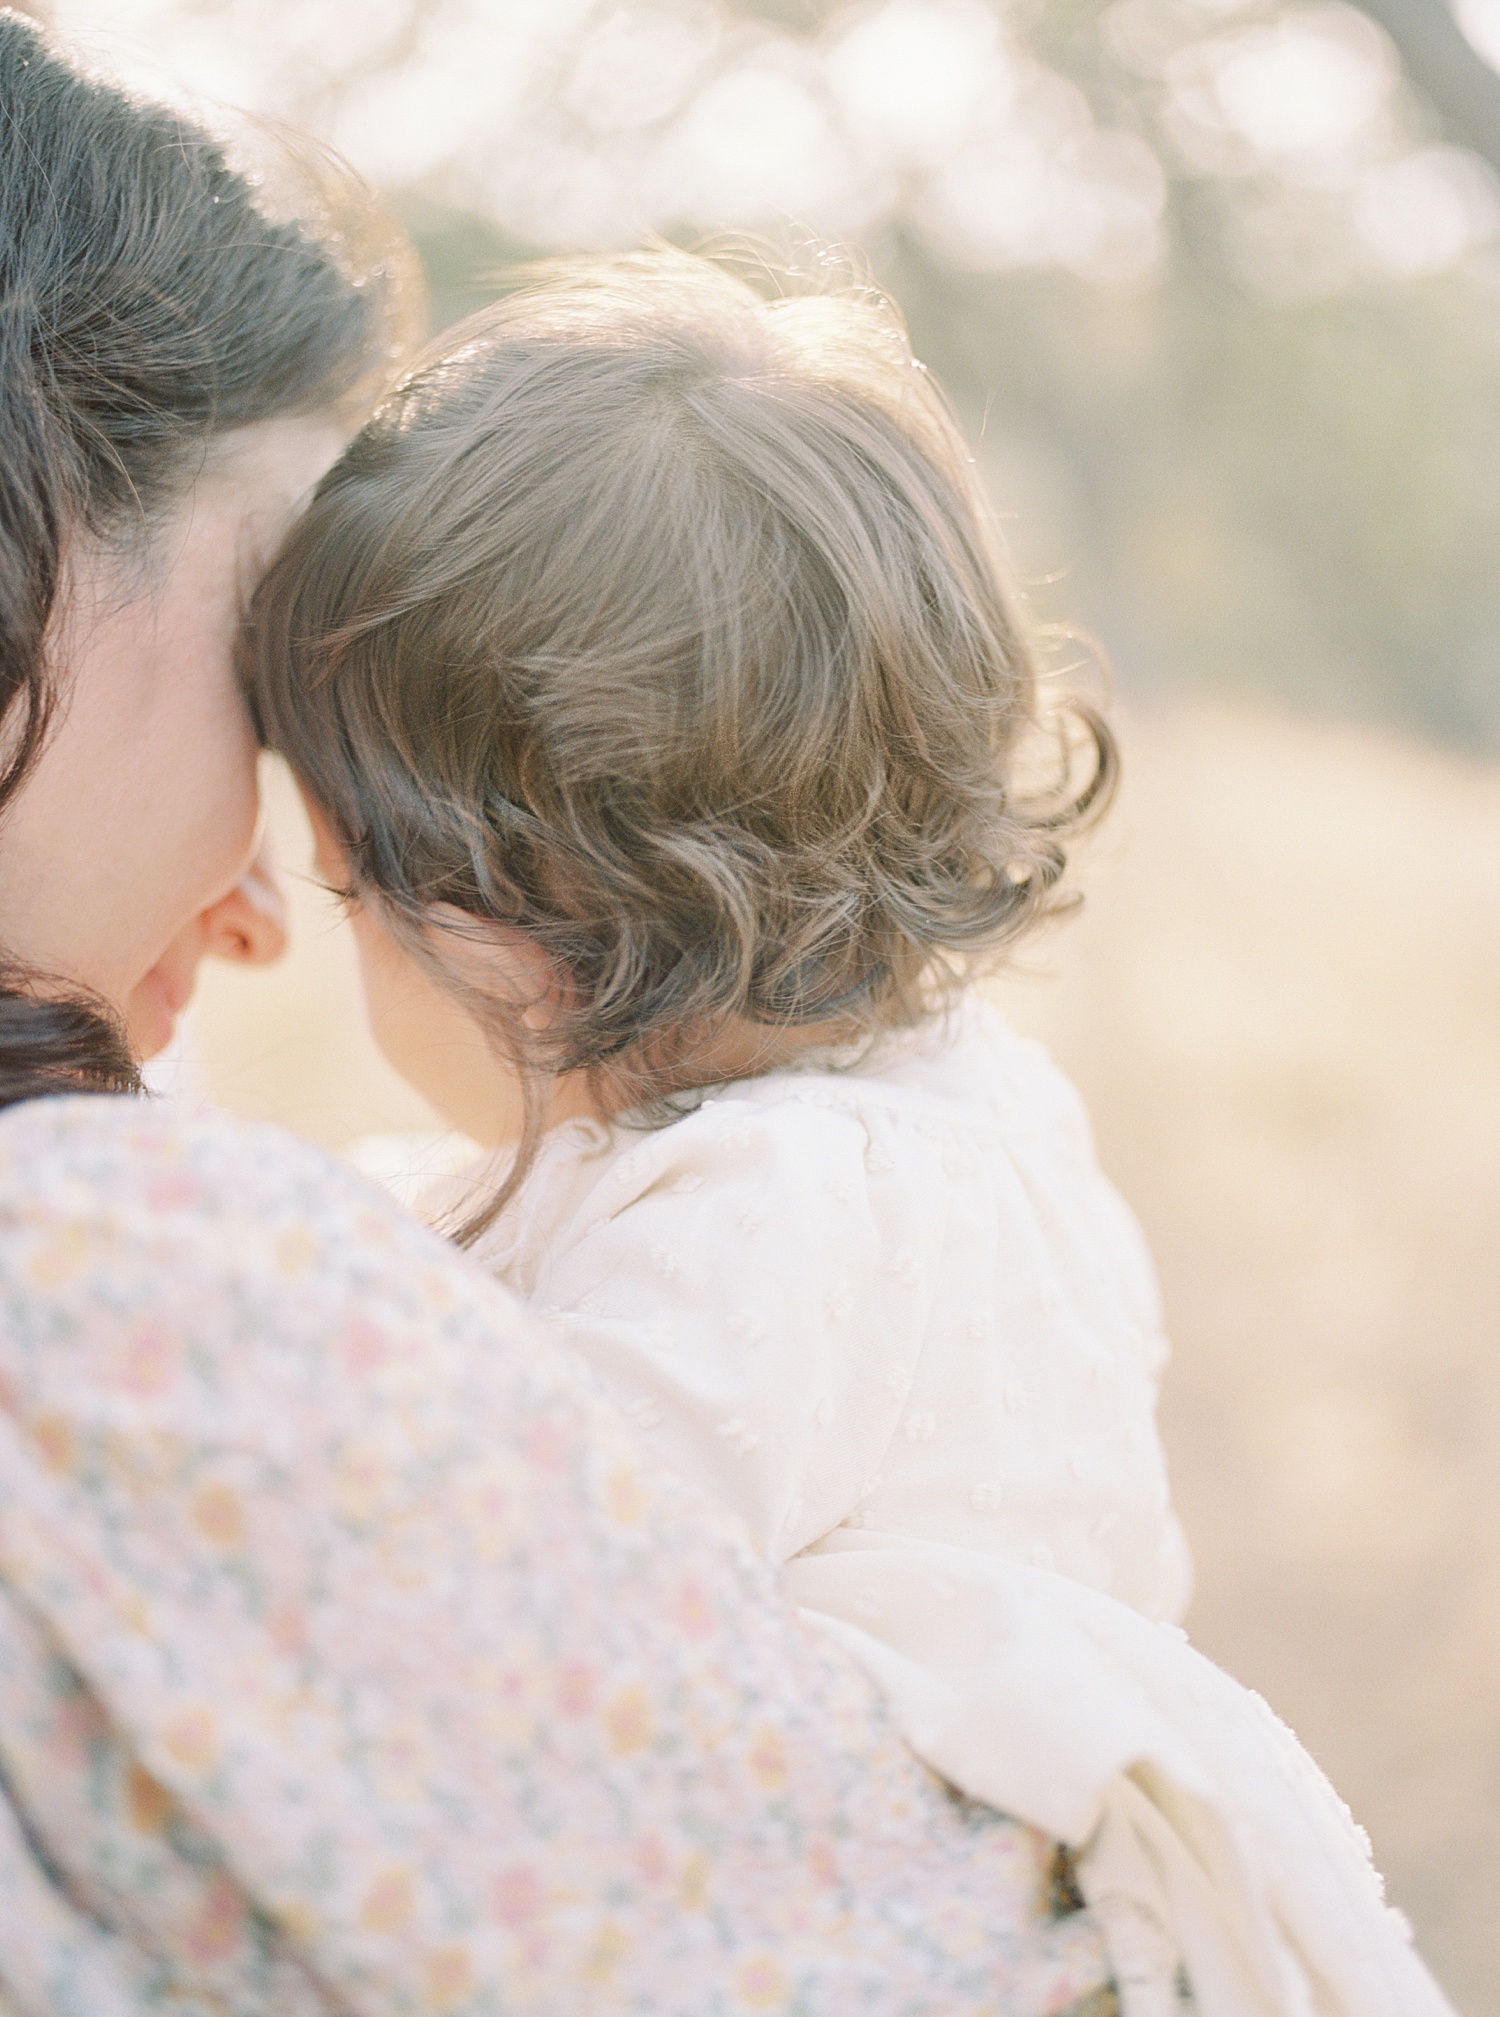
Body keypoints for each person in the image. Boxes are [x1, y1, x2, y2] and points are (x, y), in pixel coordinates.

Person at [0, 14, 1124, 2011]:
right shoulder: (105, 1275)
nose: (275, 908)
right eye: (271, 700)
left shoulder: (788, 1215)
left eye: (334, 797)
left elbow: (553, 1584)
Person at [246, 252, 1454, 2017]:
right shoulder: (979, 1115)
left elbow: (515, 1615)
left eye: (344, 886)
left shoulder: (765, 1220)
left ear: (504, 930)